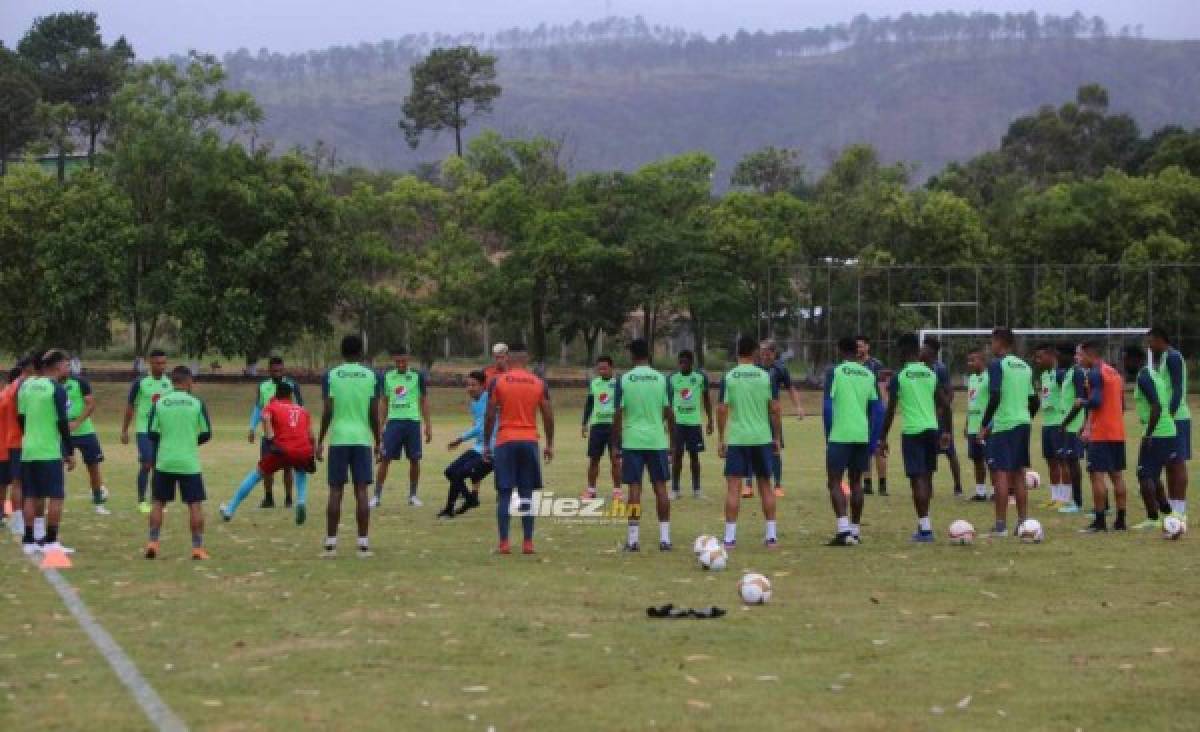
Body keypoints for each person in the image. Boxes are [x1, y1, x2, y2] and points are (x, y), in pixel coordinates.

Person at [482, 343, 554, 555]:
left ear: (508, 358)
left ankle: (504, 543)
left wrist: (486, 443)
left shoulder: (498, 381)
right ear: (527, 358)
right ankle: (528, 542)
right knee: (526, 493)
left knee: (504, 492)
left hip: (505, 440)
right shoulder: (538, 382)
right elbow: (548, 415)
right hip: (529, 439)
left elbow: (490, 415)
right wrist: (549, 443)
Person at [316, 335, 383, 558]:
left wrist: (320, 440)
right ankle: (363, 543)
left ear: (342, 352)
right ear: (361, 352)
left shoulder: (331, 376)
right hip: (362, 439)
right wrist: (379, 441)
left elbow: (327, 412)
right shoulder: (371, 376)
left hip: (339, 438)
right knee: (362, 490)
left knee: (336, 490)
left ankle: (331, 543)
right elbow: (374, 413)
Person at [880, 333, 951, 543]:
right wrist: (946, 431)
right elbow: (945, 404)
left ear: (903, 350)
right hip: (932, 429)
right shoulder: (930, 373)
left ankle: (926, 529)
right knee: (927, 477)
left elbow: (890, 410)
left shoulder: (900, 376)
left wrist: (882, 437)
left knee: (916, 480)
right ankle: (924, 525)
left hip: (912, 432)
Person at [222, 380, 316, 525]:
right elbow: (311, 436)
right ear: (291, 395)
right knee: (301, 470)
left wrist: (270, 438)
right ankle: (301, 501)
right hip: (303, 450)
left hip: (282, 449)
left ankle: (230, 509)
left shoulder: (272, 406)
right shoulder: (303, 410)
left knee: (256, 474)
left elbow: (265, 418)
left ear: (276, 393)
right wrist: (312, 453)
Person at [718, 336, 781, 549]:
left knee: (734, 487)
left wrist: (720, 438)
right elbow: (774, 409)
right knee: (766, 486)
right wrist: (777, 437)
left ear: (737, 352)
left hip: (738, 439)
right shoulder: (765, 376)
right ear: (754, 352)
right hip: (762, 438)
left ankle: (729, 538)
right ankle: (771, 536)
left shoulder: (730, 377)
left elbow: (722, 408)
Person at [143, 367, 212, 560]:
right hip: (188, 462)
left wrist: (167, 442)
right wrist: (190, 441)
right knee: (195, 505)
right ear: (188, 381)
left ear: (173, 381)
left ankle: (153, 543)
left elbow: (152, 433)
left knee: (158, 502)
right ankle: (197, 548)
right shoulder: (197, 403)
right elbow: (207, 433)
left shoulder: (160, 403)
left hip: (165, 461)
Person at [612, 339, 674, 551]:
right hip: (657, 440)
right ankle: (665, 539)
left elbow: (618, 413)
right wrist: (669, 439)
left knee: (634, 490)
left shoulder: (624, 379)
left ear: (632, 356)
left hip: (632, 441)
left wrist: (615, 443)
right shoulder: (661, 378)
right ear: (648, 354)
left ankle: (633, 540)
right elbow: (668, 411)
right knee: (661, 488)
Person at [978, 327, 1038, 537]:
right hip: (1022, 423)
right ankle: (1022, 522)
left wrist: (985, 424)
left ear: (1000, 342)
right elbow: (1034, 400)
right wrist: (1025, 416)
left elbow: (994, 395)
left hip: (1004, 425)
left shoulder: (997, 365)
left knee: (1001, 474)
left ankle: (1001, 526)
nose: (990, 346)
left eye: (992, 342)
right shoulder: (1025, 366)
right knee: (1019, 474)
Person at [1064, 341, 1128, 533]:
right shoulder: (1114, 373)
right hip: (1117, 431)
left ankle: (1100, 522)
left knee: (1096, 476)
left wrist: (1080, 402)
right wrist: (1086, 425)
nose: (1077, 359)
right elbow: (1121, 405)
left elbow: (1097, 401)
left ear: (1089, 355)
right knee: (1117, 476)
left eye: (1079, 355)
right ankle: (1120, 521)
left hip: (1101, 434)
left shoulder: (1094, 373)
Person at [17, 350, 75, 556]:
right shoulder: (56, 389)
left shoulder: (26, 386)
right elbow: (62, 422)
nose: (69, 369)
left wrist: (30, 436)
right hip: (48, 451)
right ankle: (51, 541)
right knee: (56, 496)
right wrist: (69, 450)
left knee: (31, 495)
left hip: (29, 449)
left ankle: (29, 540)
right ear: (57, 367)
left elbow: (21, 419)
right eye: (67, 365)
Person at [823, 337, 879, 546]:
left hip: (840, 434)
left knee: (834, 481)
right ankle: (855, 532)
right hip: (861, 434)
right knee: (857, 483)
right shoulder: (868, 373)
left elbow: (828, 405)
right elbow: (876, 409)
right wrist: (873, 438)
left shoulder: (834, 371)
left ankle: (843, 530)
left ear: (839, 350)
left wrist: (828, 432)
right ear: (857, 351)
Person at [1123, 346, 1178, 529]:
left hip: (1158, 431)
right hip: (1166, 430)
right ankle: (1168, 512)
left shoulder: (1144, 377)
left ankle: (1152, 518)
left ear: (1135, 359)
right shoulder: (1153, 374)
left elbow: (1156, 406)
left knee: (1144, 474)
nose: (1124, 363)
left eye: (1125, 359)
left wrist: (1149, 434)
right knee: (1153, 475)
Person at [375, 348, 431, 508]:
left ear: (408, 360)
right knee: (385, 459)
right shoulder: (387, 377)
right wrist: (380, 425)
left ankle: (413, 496)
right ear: (394, 360)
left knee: (414, 459)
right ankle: (376, 497)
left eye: (403, 361)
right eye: (397, 361)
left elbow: (424, 401)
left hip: (413, 422)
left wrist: (428, 424)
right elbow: (384, 401)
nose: (400, 364)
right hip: (394, 423)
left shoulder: (416, 376)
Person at [247, 356, 303, 509]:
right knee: (266, 468)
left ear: (283, 370)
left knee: (288, 468)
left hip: (287, 435)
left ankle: (289, 499)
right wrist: (252, 427)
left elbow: (299, 409)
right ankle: (269, 498)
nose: (277, 374)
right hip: (268, 435)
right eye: (274, 371)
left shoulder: (292, 386)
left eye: (280, 371)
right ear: (269, 371)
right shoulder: (263, 386)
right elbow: (258, 407)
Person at [121, 349, 172, 514]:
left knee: (159, 466)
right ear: (150, 363)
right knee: (147, 463)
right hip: (144, 430)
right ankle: (142, 500)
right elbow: (130, 407)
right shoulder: (140, 382)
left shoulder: (169, 382)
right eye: (158, 363)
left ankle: (156, 500)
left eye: (164, 363)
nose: (161, 366)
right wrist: (124, 430)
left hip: (162, 430)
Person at [1148, 328, 1189, 524]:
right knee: (1169, 465)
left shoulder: (1173, 357)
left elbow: (1178, 387)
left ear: (1159, 340)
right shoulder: (1164, 358)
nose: (1149, 346)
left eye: (1151, 341)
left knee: (1178, 463)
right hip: (1168, 419)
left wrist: (1170, 416)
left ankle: (1180, 511)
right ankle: (1173, 509)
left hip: (1177, 418)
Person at [438, 371, 492, 518]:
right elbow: (478, 426)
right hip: (478, 447)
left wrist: (460, 439)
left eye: (474, 385)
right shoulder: (475, 403)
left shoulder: (490, 399)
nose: (470, 388)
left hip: (491, 450)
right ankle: (465, 502)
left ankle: (460, 504)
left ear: (483, 385)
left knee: (458, 474)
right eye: (468, 385)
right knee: (450, 472)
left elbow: (481, 427)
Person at [756, 340, 803, 498]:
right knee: (751, 448)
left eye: (767, 352)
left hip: (772, 414)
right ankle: (748, 485)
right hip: (755, 413)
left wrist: (798, 407)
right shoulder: (754, 368)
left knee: (775, 448)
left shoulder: (780, 369)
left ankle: (777, 485)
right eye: (761, 351)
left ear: (774, 353)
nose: (764, 355)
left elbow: (790, 388)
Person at [61, 365, 110, 515]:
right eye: (63, 365)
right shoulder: (52, 384)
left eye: (67, 365)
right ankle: (54, 503)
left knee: (93, 468)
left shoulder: (80, 382)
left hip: (85, 431)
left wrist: (77, 422)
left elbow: (90, 404)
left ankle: (99, 504)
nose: (66, 368)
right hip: (62, 432)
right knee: (56, 468)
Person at [922, 337, 964, 496]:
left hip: (940, 417)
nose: (921, 349)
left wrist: (942, 408)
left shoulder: (939, 368)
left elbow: (950, 392)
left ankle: (958, 486)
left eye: (924, 347)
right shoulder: (920, 368)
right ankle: (929, 488)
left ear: (931, 350)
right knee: (929, 452)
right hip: (926, 416)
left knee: (949, 451)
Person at [668, 350, 712, 500]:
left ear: (691, 363)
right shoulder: (673, 378)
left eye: (685, 362)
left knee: (694, 457)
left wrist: (710, 419)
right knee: (677, 456)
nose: (682, 365)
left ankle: (697, 489)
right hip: (678, 424)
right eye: (680, 362)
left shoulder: (700, 377)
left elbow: (706, 399)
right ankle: (675, 489)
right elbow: (667, 402)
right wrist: (666, 423)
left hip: (694, 424)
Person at [1, 357, 35, 537]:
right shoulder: (21, 386)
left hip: (14, 439)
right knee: (20, 482)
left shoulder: (14, 386)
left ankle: (18, 520)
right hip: (19, 440)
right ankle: (18, 521)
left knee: (18, 482)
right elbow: (22, 414)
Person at [581, 355, 621, 502]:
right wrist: (584, 423)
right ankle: (591, 490)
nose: (602, 371)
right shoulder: (594, 383)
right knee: (594, 460)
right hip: (597, 426)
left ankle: (617, 491)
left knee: (615, 460)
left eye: (604, 368)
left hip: (613, 427)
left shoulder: (618, 384)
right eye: (599, 368)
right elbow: (589, 404)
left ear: (611, 368)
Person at [1033, 343, 1068, 509]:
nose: (1037, 360)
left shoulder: (1060, 374)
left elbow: (1068, 396)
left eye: (1040, 357)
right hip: (1047, 424)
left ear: (1051, 356)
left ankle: (1066, 497)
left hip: (1059, 423)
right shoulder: (1044, 375)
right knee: (1051, 461)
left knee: (1063, 461)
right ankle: (1054, 497)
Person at [1055, 344, 1088, 514]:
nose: (1057, 359)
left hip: (1075, 425)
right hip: (1069, 425)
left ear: (1068, 357)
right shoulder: (1067, 373)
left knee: (1074, 463)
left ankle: (1077, 502)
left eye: (1059, 355)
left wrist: (1065, 422)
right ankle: (1077, 501)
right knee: (1071, 462)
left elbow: (1080, 400)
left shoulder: (1076, 372)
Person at [857, 336, 888, 496]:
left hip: (875, 409)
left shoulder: (876, 365)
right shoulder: (853, 366)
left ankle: (882, 485)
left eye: (861, 346)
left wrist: (884, 408)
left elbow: (883, 387)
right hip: (861, 410)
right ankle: (867, 484)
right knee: (864, 446)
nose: (859, 349)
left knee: (878, 447)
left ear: (867, 347)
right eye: (857, 347)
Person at [964, 346, 991, 502]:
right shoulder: (972, 379)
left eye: (972, 360)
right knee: (976, 460)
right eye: (968, 360)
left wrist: (988, 425)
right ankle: (980, 492)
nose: (970, 363)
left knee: (991, 461)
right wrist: (967, 424)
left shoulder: (989, 378)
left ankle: (995, 491)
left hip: (985, 428)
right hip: (973, 427)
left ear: (982, 360)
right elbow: (971, 403)